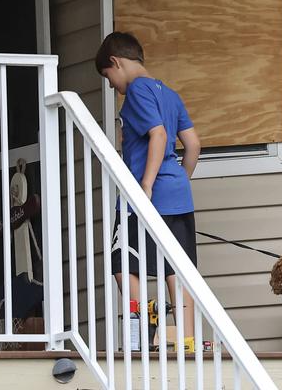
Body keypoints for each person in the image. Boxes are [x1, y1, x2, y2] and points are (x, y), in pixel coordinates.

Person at [95, 31, 201, 352]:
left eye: (108, 78)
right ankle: (186, 340)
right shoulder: (169, 93)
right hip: (177, 196)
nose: (112, 86)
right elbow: (193, 145)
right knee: (176, 270)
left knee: (123, 264)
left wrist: (146, 186)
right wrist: (176, 183)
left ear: (116, 62)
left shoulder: (137, 91)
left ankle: (144, 326)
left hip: (144, 198)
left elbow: (157, 135)